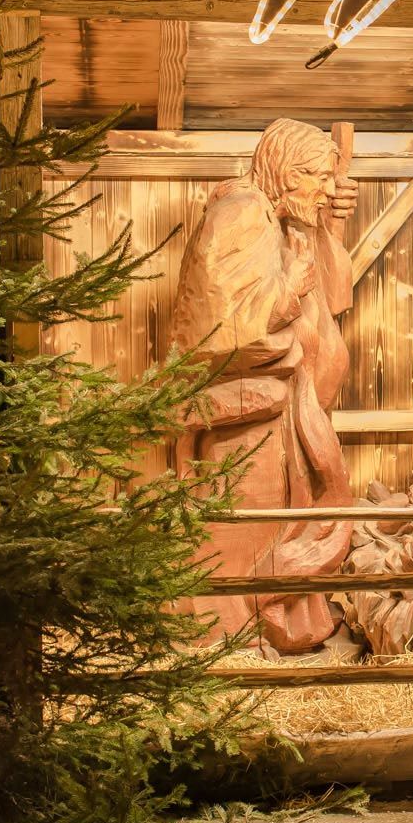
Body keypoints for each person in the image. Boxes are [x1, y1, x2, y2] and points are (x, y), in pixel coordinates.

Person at [166, 118, 360, 653]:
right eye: (318, 178)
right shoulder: (243, 213)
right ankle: (227, 634)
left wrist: (324, 233)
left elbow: (331, 297)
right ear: (285, 170)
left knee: (274, 526)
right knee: (242, 527)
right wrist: (288, 292)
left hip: (283, 413)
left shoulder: (282, 219)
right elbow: (220, 323)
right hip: (248, 412)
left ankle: (272, 623)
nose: (325, 191)